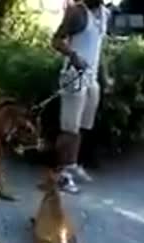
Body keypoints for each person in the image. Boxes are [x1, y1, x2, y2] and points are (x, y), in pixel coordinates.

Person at [51, 0, 112, 194]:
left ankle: (72, 164)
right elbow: (56, 40)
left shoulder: (104, 14)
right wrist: (73, 55)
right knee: (69, 128)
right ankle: (62, 174)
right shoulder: (77, 12)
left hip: (91, 78)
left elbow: (98, 48)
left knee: (83, 126)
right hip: (74, 76)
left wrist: (105, 75)